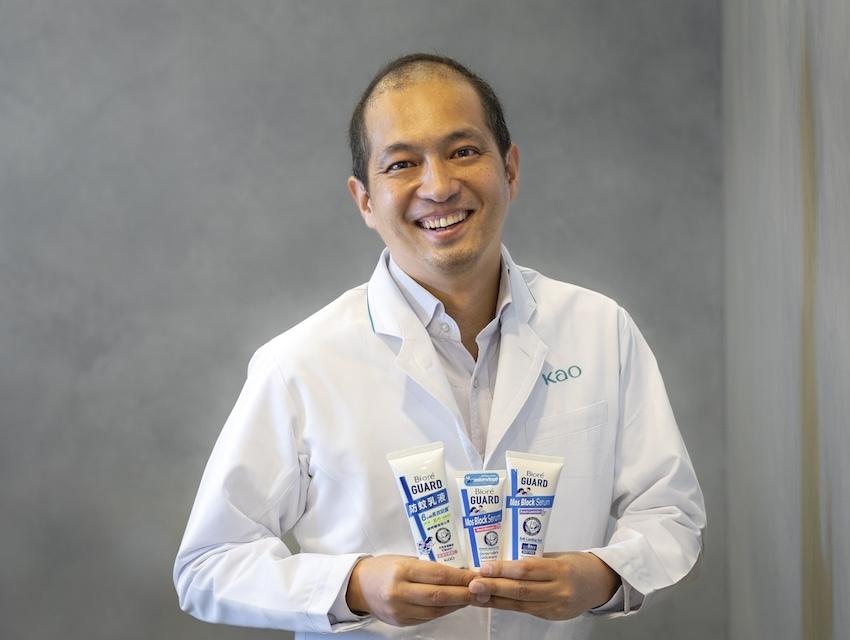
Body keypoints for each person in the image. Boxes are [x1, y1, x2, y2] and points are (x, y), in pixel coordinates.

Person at [174, 53, 706, 639]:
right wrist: (353, 587)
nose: (438, 186)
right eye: (402, 163)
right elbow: (207, 566)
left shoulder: (600, 330)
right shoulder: (299, 364)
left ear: (511, 169)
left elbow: (671, 513)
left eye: (463, 151)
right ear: (365, 201)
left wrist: (601, 575)